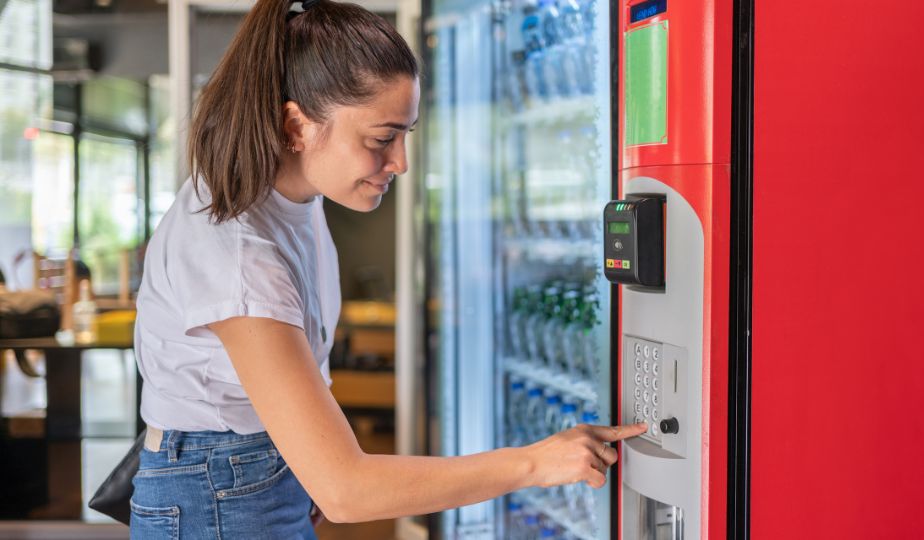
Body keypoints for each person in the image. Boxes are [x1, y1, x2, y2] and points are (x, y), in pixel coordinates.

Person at [131, 0, 647, 537]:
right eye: (382, 139)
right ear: (295, 125)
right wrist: (536, 464)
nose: (400, 162)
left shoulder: (288, 199)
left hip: (251, 474)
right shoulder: (238, 255)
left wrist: (303, 463)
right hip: (216, 497)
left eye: (405, 135)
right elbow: (346, 491)